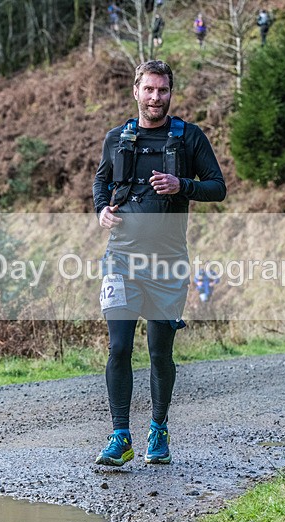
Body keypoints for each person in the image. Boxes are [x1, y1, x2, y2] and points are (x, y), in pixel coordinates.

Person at [92, 60, 226, 466]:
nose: (155, 98)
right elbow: (101, 181)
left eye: (162, 90)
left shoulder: (189, 138)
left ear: (171, 92)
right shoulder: (117, 138)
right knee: (118, 348)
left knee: (158, 352)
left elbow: (217, 187)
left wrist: (181, 185)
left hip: (168, 265)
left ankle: (158, 427)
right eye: (148, 89)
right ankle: (120, 435)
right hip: (120, 259)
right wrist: (101, 209)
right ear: (136, 91)